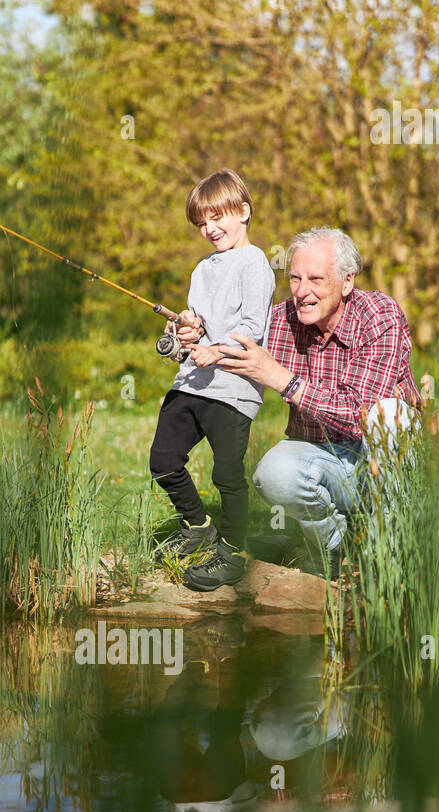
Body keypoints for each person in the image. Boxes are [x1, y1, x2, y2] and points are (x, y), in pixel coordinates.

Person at [182, 226, 421, 580]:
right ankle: (333, 545)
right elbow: (228, 341)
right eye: (295, 278)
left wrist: (283, 379)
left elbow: (359, 415)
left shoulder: (378, 315)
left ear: (346, 282)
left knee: (391, 415)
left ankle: (387, 553)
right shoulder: (281, 320)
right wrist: (195, 332)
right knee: (272, 473)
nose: (302, 291)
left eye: (316, 279)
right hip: (321, 456)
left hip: (380, 459)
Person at [149, 169, 275, 592]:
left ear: (243, 212)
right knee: (163, 460)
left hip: (232, 389)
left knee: (227, 475)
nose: (209, 229)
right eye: (202, 222)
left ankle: (235, 553)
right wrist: (184, 332)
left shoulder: (255, 263)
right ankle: (198, 525)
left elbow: (253, 328)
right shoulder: (202, 269)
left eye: (216, 217)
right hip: (191, 383)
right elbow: (195, 325)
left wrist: (217, 350)